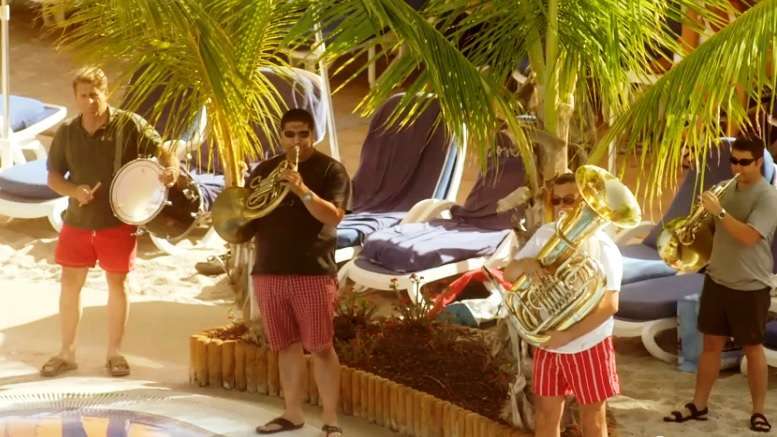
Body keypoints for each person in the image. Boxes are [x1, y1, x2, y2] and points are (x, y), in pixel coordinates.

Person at [41, 67, 179, 378]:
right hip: (78, 220)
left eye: (95, 95)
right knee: (69, 284)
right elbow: (53, 177)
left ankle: (115, 353)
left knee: (118, 284)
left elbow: (164, 151)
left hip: (118, 220)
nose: (89, 101)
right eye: (83, 95)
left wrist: (171, 170)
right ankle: (66, 352)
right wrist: (74, 191)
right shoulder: (67, 131)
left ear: (106, 93)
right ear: (75, 97)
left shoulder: (129, 124)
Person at [664, 137, 777, 433]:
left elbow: (749, 236)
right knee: (711, 345)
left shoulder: (768, 197)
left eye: (744, 162)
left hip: (750, 285)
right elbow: (710, 231)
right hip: (717, 279)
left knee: (753, 348)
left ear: (758, 162)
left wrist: (720, 213)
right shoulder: (724, 190)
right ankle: (699, 404)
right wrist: (694, 226)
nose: (737, 167)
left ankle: (758, 412)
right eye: (733, 161)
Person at [251, 109, 350, 437]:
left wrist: (302, 190)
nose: (297, 141)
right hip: (269, 270)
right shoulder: (264, 170)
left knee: (320, 347)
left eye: (303, 134)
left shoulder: (331, 170)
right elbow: (248, 216)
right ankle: (292, 414)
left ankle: (331, 420)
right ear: (280, 136)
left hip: (312, 272)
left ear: (313, 135)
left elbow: (333, 217)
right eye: (290, 134)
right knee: (286, 346)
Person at [503, 172, 623, 437]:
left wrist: (567, 335)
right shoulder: (546, 235)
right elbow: (509, 274)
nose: (561, 207)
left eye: (569, 200)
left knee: (593, 420)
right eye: (555, 201)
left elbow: (610, 305)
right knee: (546, 416)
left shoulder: (603, 246)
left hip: (589, 344)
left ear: (586, 202)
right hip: (550, 342)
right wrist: (527, 264)